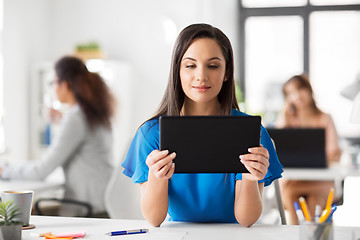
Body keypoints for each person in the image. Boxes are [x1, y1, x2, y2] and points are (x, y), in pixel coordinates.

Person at [121, 23, 283, 227]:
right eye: (190, 65)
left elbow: (247, 220)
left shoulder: (250, 132)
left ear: (226, 73)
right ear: (177, 71)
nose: (201, 76)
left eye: (213, 66)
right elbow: (154, 219)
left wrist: (251, 179)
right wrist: (156, 176)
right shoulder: (152, 134)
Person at [0, 56, 115, 216]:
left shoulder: (75, 119)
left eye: (53, 83)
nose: (53, 88)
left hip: (86, 209)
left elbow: (40, 171)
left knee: (26, 216)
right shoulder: (92, 113)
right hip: (103, 203)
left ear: (65, 84)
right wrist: (61, 121)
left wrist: (3, 171)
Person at [276, 74, 342, 225]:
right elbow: (278, 149)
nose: (297, 96)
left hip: (322, 181)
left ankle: (307, 234)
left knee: (311, 198)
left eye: (300, 89)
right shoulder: (289, 119)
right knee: (291, 194)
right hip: (295, 180)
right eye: (290, 93)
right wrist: (285, 116)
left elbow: (334, 153)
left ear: (309, 90)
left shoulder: (324, 118)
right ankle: (301, 234)